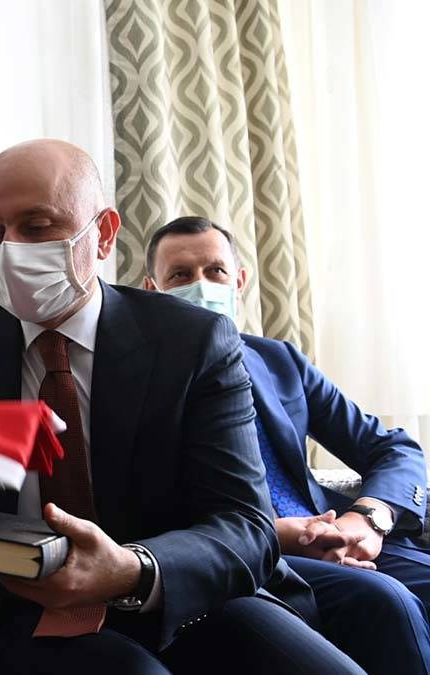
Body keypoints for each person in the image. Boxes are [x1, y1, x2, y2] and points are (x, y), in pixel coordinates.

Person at [0, 139, 364, 674]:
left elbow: (245, 523)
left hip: (175, 593)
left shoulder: (192, 341)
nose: (11, 249)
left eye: (36, 227)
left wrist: (130, 568)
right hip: (16, 609)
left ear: (102, 234)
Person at [144, 215, 430, 674]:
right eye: (180, 275)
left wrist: (367, 520)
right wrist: (278, 536)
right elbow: (148, 508)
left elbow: (392, 448)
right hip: (253, 555)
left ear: (239, 281)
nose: (201, 285)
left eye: (215, 271)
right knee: (386, 601)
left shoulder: (277, 360)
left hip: (343, 533)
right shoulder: (141, 381)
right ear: (152, 289)